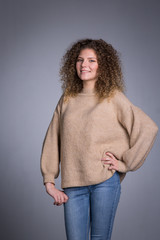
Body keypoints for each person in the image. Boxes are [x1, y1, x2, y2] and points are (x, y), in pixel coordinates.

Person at [40, 38, 158, 240]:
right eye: (80, 60)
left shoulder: (112, 96)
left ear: (103, 66)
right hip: (73, 186)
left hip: (105, 183)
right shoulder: (66, 99)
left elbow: (148, 127)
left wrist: (125, 164)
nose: (84, 65)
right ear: (73, 64)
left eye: (91, 60)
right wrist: (49, 181)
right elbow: (52, 139)